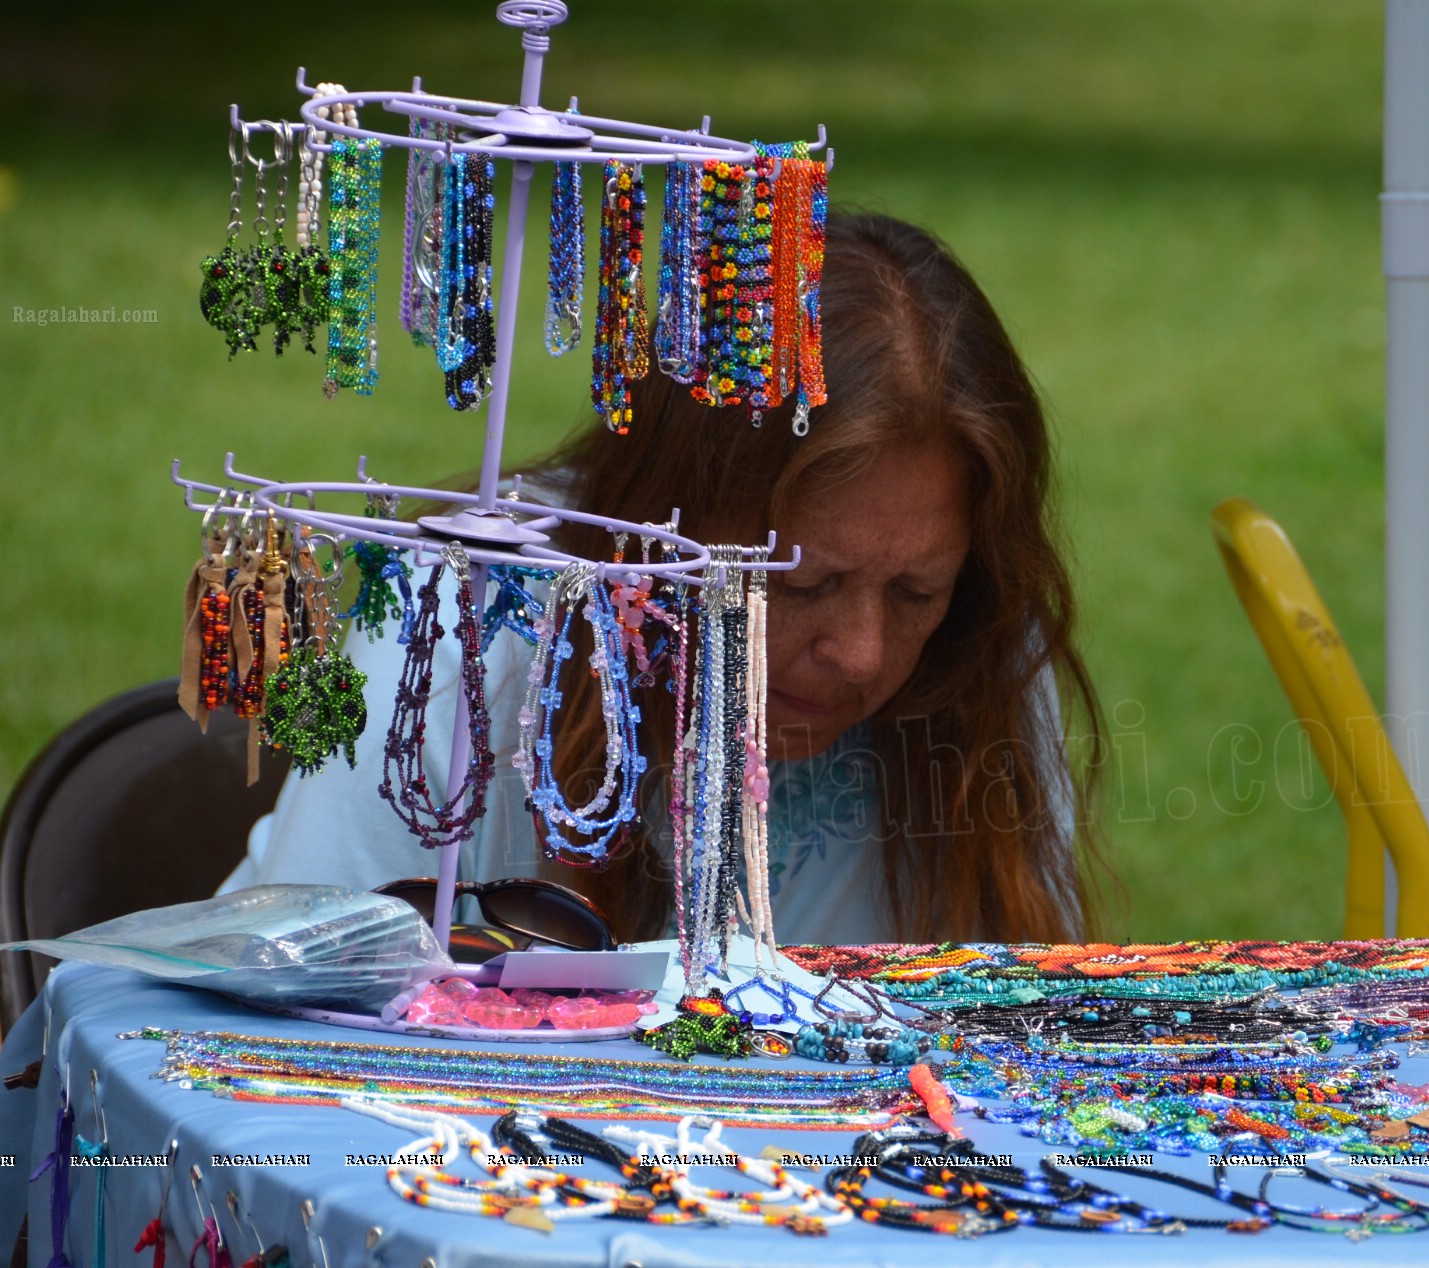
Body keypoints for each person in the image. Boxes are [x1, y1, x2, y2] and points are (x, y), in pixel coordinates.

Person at [223, 212, 1108, 945]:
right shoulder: (465, 633)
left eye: (915, 593)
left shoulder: (981, 653)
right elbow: (289, 1026)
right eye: (800, 584)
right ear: (659, 519)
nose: (863, 655)